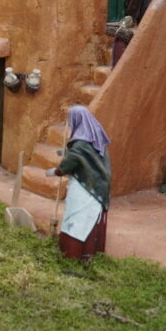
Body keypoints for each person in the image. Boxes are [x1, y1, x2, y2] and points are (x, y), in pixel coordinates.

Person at [52, 105, 111, 261]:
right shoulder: (97, 137)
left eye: (71, 121)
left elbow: (71, 161)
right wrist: (64, 152)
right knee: (89, 219)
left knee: (77, 219)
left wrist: (56, 171)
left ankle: (73, 254)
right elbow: (88, 157)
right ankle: (88, 253)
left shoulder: (80, 144)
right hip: (99, 186)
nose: (70, 125)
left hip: (86, 187)